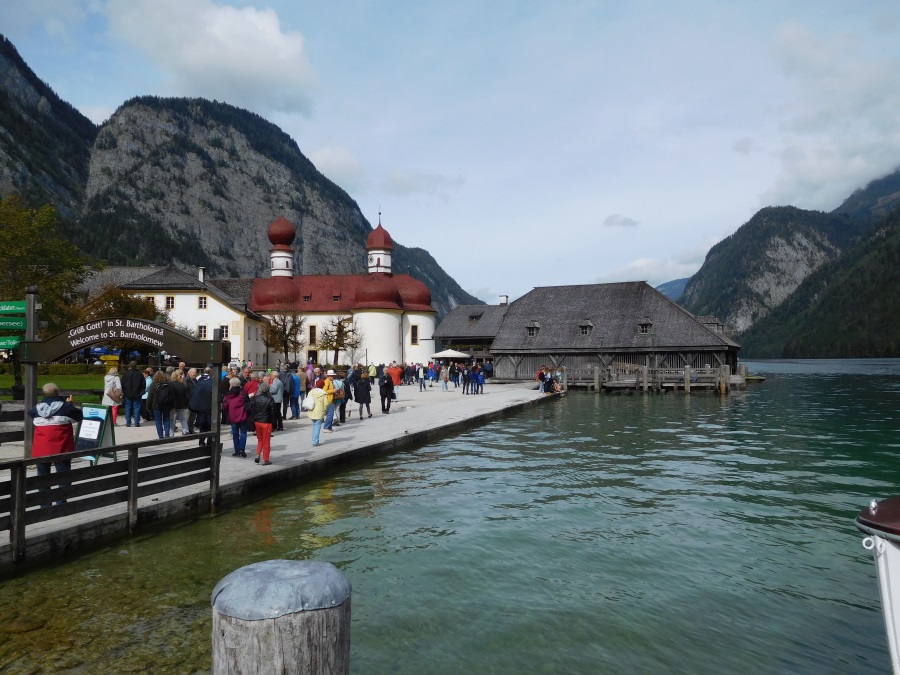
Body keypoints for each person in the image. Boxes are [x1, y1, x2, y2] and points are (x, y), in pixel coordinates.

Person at [29, 383, 83, 507]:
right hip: (61, 447)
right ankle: (61, 503)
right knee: (63, 476)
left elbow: (30, 413)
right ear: (57, 393)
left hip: (41, 447)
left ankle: (45, 505)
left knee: (42, 477)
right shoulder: (65, 407)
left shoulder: (36, 409)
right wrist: (70, 404)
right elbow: (79, 416)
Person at [249, 381, 275, 465]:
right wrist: (274, 423)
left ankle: (257, 454)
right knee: (266, 441)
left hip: (257, 421)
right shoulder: (270, 399)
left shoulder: (255, 398)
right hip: (266, 422)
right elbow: (273, 412)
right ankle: (265, 459)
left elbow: (252, 410)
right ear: (268, 390)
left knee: (260, 439)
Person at [222, 377, 249, 457]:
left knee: (235, 433)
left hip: (233, 416)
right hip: (243, 415)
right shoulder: (243, 392)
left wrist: (228, 412)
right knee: (243, 433)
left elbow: (224, 406)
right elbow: (248, 403)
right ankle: (242, 449)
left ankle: (236, 450)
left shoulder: (228, 394)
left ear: (232, 385)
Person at [189, 368, 213, 447]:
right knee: (210, 427)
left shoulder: (200, 382)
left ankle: (201, 442)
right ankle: (209, 442)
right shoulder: (212, 383)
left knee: (203, 427)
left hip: (201, 408)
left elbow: (194, 394)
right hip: (210, 408)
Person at [146, 370, 173, 439]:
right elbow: (172, 395)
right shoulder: (168, 384)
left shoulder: (153, 384)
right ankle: (167, 434)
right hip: (166, 404)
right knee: (166, 419)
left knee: (158, 421)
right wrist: (172, 405)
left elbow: (150, 397)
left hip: (156, 405)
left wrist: (148, 407)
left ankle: (161, 436)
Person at [121, 361, 146, 427]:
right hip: (137, 393)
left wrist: (123, 391)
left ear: (129, 365)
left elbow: (122, 384)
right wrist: (141, 391)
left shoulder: (126, 374)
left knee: (128, 407)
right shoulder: (139, 374)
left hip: (127, 393)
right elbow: (143, 384)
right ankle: (137, 422)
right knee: (137, 407)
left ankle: (128, 422)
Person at [169, 370, 190, 436]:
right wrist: (186, 404)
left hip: (172, 405)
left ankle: (171, 433)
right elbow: (186, 396)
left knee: (172, 419)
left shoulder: (170, 385)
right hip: (181, 404)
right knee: (182, 418)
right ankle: (185, 430)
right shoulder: (182, 385)